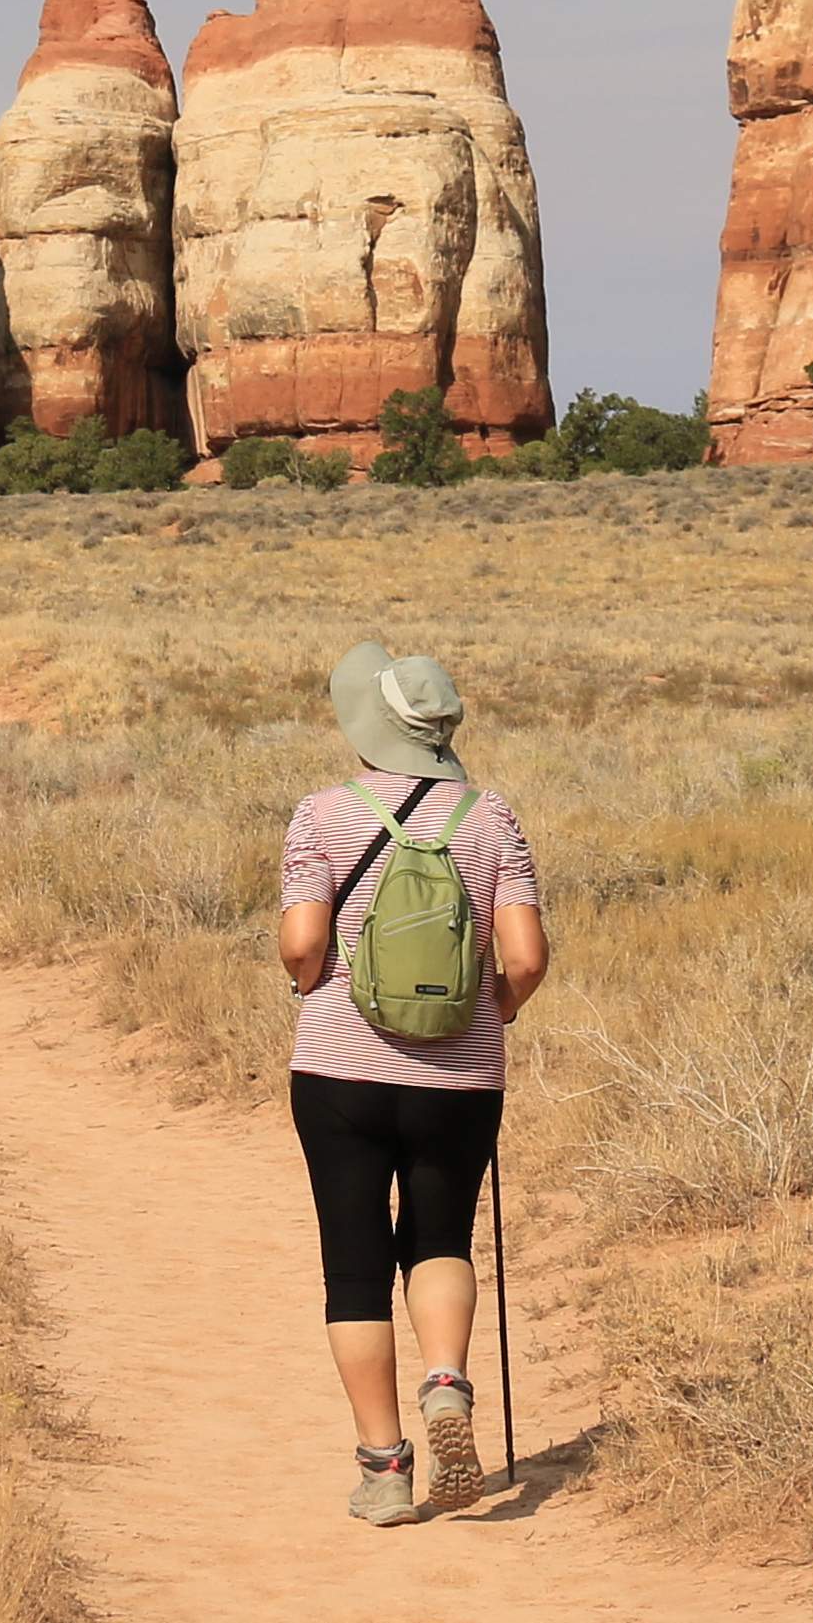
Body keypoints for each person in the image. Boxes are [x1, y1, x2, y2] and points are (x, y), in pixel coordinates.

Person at [281, 637, 548, 1526]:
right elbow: (527, 957)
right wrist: (495, 1008)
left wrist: (315, 986)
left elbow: (301, 946)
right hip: (461, 1076)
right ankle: (446, 1381)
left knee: (354, 1265)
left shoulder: (321, 815)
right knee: (441, 1236)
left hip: (338, 1071)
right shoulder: (491, 816)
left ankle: (385, 1470)